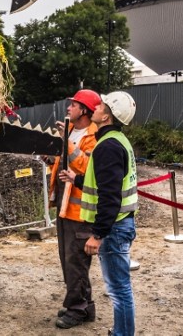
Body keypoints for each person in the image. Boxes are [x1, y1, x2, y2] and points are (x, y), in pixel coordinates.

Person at [60, 91, 138, 336]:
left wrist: (98, 234)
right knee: (119, 287)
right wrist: (78, 179)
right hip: (120, 224)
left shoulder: (108, 146)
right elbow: (103, 182)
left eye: (102, 105)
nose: (97, 107)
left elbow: (110, 197)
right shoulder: (116, 141)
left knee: (119, 289)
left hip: (114, 228)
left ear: (107, 116)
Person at [48, 89, 101, 329]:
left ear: (85, 111)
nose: (69, 107)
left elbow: (88, 168)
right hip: (65, 205)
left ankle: (77, 309)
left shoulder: (94, 136)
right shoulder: (69, 132)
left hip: (81, 210)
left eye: (74, 104)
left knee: (76, 260)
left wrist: (67, 144)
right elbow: (63, 162)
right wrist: (49, 157)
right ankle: (85, 305)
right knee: (68, 258)